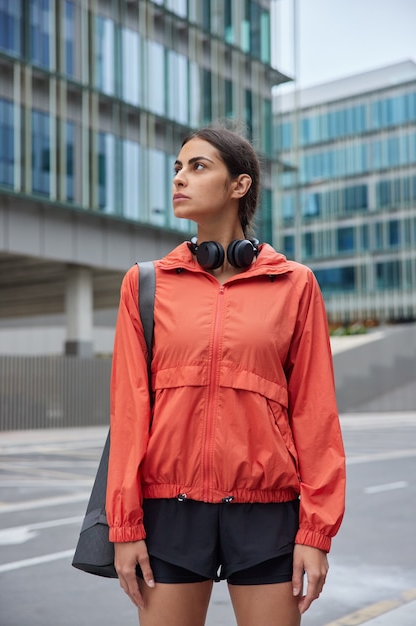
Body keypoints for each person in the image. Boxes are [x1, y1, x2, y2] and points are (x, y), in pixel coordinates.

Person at [106, 124, 346, 626]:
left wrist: (316, 533)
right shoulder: (145, 284)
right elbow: (129, 413)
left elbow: (315, 413)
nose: (179, 179)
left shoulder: (294, 284)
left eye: (197, 167)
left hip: (266, 509)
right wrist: (125, 525)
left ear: (239, 185)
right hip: (169, 506)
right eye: (177, 168)